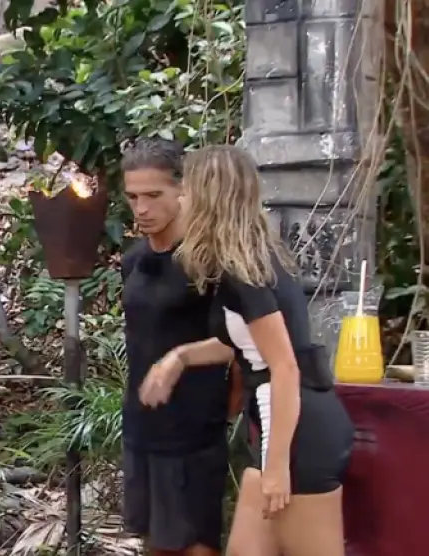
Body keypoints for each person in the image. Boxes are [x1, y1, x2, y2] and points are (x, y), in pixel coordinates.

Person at [139, 145, 355, 556]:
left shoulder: (244, 275)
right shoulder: (247, 261)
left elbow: (284, 366)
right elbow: (242, 344)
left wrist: (278, 467)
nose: (181, 200)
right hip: (282, 427)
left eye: (186, 191)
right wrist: (179, 358)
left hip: (297, 433)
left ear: (208, 199)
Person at [119, 137, 236, 556]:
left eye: (153, 196)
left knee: (194, 544)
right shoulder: (134, 261)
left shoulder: (208, 260)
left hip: (194, 428)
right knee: (155, 542)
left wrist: (180, 360)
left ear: (183, 190)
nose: (141, 208)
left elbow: (241, 342)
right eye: (133, 197)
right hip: (142, 424)